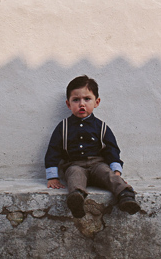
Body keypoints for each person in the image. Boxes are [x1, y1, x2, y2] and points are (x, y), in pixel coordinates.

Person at [44, 75, 140, 218]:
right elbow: (53, 150)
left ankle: (125, 196)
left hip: (97, 164)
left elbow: (112, 149)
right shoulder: (63, 127)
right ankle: (76, 199)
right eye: (76, 100)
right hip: (74, 164)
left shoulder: (101, 127)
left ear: (97, 102)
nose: (81, 104)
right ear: (68, 104)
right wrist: (52, 176)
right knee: (75, 175)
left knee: (108, 175)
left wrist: (116, 172)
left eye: (87, 99)